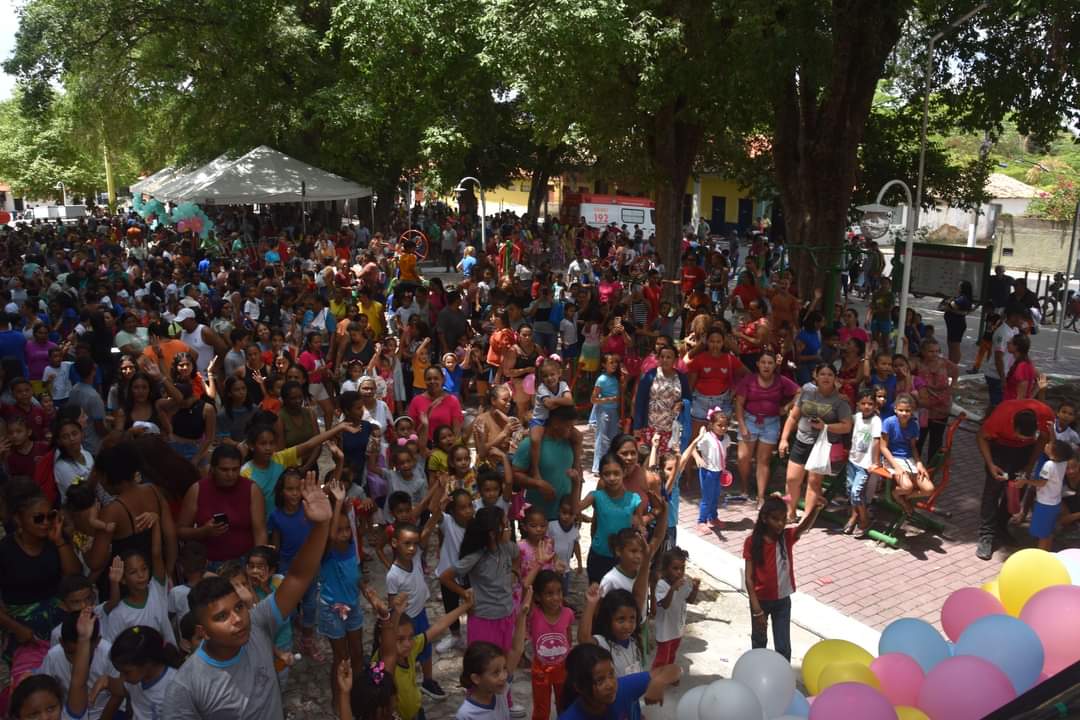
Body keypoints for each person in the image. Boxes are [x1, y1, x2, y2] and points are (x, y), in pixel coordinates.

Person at [162, 471, 334, 718]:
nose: (238, 619)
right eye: (222, 617)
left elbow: (298, 577)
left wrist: (320, 526)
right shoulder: (186, 686)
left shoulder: (258, 624)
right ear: (202, 631)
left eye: (239, 607)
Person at [744, 495, 824, 661]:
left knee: (783, 647)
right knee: (759, 642)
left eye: (783, 519)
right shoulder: (752, 542)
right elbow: (749, 578)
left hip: (782, 602)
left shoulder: (786, 538)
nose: (780, 524)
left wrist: (815, 509)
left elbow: (803, 526)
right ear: (765, 518)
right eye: (775, 519)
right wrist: (757, 609)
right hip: (760, 602)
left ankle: (782, 680)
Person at [975, 399, 1054, 560]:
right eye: (1020, 435)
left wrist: (1030, 466)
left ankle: (1001, 526)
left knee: (1017, 489)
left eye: (1027, 436)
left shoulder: (1044, 414)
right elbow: (981, 437)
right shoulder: (1002, 415)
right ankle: (986, 535)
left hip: (1025, 453)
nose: (1022, 438)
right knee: (993, 490)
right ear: (1013, 424)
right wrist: (990, 464)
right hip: (1001, 450)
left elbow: (1043, 440)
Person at [779, 364, 853, 524]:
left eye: (830, 375)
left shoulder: (840, 401)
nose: (826, 377)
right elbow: (793, 416)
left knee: (814, 482)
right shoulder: (807, 391)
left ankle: (807, 519)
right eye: (823, 374)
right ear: (816, 376)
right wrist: (784, 439)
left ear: (835, 378)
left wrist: (825, 426)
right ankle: (790, 513)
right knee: (792, 479)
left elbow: (847, 425)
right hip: (801, 441)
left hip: (822, 446)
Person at [176, 445, 267, 566]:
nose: (230, 474)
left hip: (243, 561)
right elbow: (180, 531)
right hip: (208, 563)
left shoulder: (252, 489)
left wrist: (259, 564)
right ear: (213, 468)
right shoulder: (197, 489)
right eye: (224, 470)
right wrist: (203, 531)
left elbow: (260, 532)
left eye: (235, 469)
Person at [733, 352, 800, 505]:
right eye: (763, 362)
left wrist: (788, 406)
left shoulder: (781, 380)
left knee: (763, 461)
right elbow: (739, 403)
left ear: (774, 365)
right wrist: (742, 425)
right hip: (750, 419)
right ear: (758, 364)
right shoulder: (749, 380)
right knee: (743, 457)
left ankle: (761, 496)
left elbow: (799, 392)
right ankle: (744, 487)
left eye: (770, 363)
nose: (766, 366)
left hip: (771, 422)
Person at [455, 592, 530, 720]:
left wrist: (522, 615)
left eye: (504, 669)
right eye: (496, 673)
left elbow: (516, 650)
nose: (503, 676)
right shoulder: (466, 715)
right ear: (476, 679)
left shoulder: (500, 691)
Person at [557, 644, 680, 720]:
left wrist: (658, 682)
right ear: (579, 687)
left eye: (611, 674)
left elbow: (674, 669)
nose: (610, 684)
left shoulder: (622, 688)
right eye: (600, 680)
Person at [526, 571, 574, 720]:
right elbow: (525, 586)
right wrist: (538, 565)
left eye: (559, 592)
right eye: (549, 593)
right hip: (540, 670)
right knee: (541, 708)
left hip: (563, 668)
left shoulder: (568, 613)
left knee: (564, 704)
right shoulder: (533, 614)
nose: (556, 597)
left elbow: (569, 637)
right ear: (538, 597)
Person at [1017, 440, 1074, 550]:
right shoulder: (1063, 462)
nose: (1046, 445)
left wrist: (1025, 482)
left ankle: (1041, 556)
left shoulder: (1048, 465)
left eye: (1049, 445)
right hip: (1055, 503)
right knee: (1049, 531)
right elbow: (1059, 447)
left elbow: (1042, 482)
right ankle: (1047, 551)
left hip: (1044, 504)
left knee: (1042, 535)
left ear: (1053, 453)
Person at [880, 394, 932, 514]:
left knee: (929, 489)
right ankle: (898, 495)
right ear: (895, 410)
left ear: (912, 411)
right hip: (892, 458)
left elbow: (913, 447)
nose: (904, 413)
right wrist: (896, 467)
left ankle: (902, 496)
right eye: (901, 410)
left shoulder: (914, 425)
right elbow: (883, 447)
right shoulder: (889, 423)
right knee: (907, 487)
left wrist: (919, 463)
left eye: (907, 411)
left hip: (908, 458)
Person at [652, 547, 701, 668]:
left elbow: (690, 599)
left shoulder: (683, 583)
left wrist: (695, 588)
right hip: (665, 630)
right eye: (675, 568)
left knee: (672, 655)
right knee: (662, 658)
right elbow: (665, 605)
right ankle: (655, 679)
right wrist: (672, 588)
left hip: (677, 628)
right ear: (665, 569)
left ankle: (668, 674)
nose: (679, 572)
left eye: (682, 568)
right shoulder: (662, 585)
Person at [844, 389, 882, 536]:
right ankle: (854, 516)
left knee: (856, 492)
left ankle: (864, 520)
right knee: (850, 490)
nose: (866, 406)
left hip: (865, 464)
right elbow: (845, 421)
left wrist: (876, 462)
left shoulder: (876, 421)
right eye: (863, 403)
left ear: (875, 405)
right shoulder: (857, 417)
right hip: (853, 460)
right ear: (858, 404)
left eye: (870, 404)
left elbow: (876, 441)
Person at [941, 280, 974, 364]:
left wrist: (949, 302)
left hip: (957, 325)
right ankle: (950, 363)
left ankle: (954, 364)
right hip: (953, 325)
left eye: (959, 286)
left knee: (955, 346)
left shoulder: (963, 298)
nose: (957, 287)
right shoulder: (962, 297)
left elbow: (953, 307)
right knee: (951, 345)